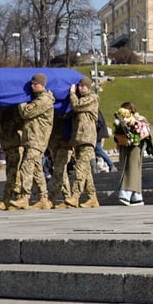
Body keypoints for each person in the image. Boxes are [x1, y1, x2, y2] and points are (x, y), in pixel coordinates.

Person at [11, 73, 56, 210]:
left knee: (27, 165)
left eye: (35, 84)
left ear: (42, 85)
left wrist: (21, 100)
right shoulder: (36, 99)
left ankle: (25, 197)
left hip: (37, 139)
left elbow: (26, 112)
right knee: (36, 169)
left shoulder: (44, 100)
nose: (32, 86)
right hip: (32, 139)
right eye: (31, 84)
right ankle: (43, 198)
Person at [68, 77, 100, 208]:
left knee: (80, 167)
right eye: (79, 86)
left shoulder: (92, 98)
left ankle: (75, 196)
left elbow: (76, 105)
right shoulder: (80, 98)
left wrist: (72, 93)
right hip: (79, 138)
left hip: (87, 138)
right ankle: (92, 197)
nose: (80, 88)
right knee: (85, 169)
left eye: (83, 86)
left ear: (88, 87)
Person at [112, 102, 146, 205]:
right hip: (124, 146)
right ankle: (137, 196)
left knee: (132, 169)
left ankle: (126, 192)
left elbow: (144, 133)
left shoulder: (138, 119)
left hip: (135, 147)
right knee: (131, 169)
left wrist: (134, 134)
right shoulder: (120, 121)